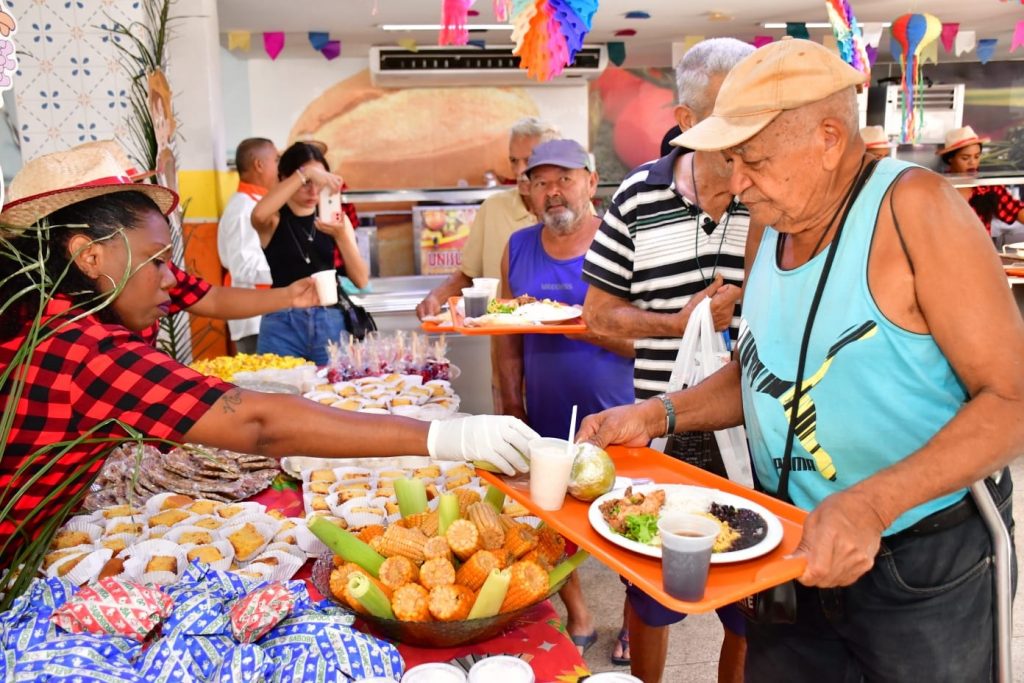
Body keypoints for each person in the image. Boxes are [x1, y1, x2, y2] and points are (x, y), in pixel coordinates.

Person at [579, 37, 1022, 683]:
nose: (735, 185)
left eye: (752, 160)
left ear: (829, 138)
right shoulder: (769, 223)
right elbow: (761, 369)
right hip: (791, 545)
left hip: (923, 558)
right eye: (730, 161)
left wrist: (872, 504)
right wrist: (658, 413)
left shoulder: (916, 210)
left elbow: (1011, 401)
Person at [0, 145, 536, 571]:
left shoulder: (52, 315)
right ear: (88, 255)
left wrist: (289, 295)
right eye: (156, 263)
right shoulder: (79, 345)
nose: (170, 280)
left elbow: (206, 308)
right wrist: (444, 438)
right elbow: (259, 423)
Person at [581, 37, 757, 680]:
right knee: (651, 594)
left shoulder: (772, 198)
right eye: (728, 112)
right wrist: (677, 324)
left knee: (752, 605)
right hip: (663, 433)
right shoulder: (635, 198)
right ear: (685, 121)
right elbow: (598, 318)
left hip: (756, 434)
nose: (747, 130)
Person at [495, 139, 635, 656]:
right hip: (545, 414)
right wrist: (510, 404)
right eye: (541, 182)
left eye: (565, 179)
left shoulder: (617, 242)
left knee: (626, 516)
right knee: (547, 522)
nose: (554, 192)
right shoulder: (517, 247)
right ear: (529, 192)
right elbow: (506, 333)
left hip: (617, 412)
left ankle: (632, 621)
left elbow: (644, 339)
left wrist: (582, 327)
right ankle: (577, 610)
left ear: (591, 183)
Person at [416, 117, 561, 411]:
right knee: (509, 437)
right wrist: (437, 297)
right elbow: (469, 274)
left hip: (558, 354)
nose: (520, 171)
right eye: (513, 160)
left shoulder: (567, 213)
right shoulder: (493, 208)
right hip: (505, 355)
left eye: (528, 160)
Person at [251, 142, 369, 365]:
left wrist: (342, 236)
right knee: (278, 395)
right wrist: (305, 173)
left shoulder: (335, 219)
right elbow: (258, 215)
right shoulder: (274, 219)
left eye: (320, 182)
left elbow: (361, 279)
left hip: (330, 319)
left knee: (334, 395)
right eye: (306, 183)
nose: (313, 191)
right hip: (281, 320)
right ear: (285, 178)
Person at [217, 137, 280, 353]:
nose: (279, 168)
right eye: (276, 160)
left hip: (266, 311)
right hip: (253, 317)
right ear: (259, 165)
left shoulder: (256, 203)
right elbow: (243, 268)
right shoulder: (243, 209)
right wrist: (286, 276)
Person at [939, 125, 1024, 237]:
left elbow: (1015, 210)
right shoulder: (939, 187)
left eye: (976, 156)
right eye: (965, 158)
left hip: (981, 252)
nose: (972, 162)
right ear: (950, 158)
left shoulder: (986, 187)